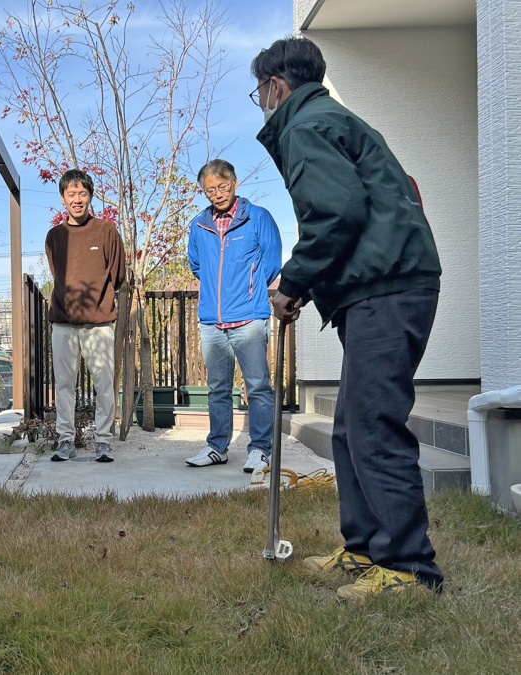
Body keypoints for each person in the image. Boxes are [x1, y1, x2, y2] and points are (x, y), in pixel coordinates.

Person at [252, 36, 443, 599]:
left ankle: (408, 568)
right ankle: (363, 550)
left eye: (259, 93)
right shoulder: (331, 118)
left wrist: (293, 282)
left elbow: (336, 214)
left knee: (374, 426)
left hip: (388, 289)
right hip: (379, 285)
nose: (261, 104)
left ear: (275, 87)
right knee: (350, 428)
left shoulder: (306, 126)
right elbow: (355, 213)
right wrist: (312, 284)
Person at [185, 160, 282, 473]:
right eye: (210, 190)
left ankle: (261, 450)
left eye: (222, 186)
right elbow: (197, 264)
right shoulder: (199, 225)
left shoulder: (257, 217)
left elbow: (272, 261)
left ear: (235, 183)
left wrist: (249, 289)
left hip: (249, 318)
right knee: (218, 389)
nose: (217, 193)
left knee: (258, 387)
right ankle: (217, 447)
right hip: (212, 321)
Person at [45, 169, 126, 463]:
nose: (77, 199)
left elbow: (118, 274)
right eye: (71, 194)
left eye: (82, 193)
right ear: (63, 198)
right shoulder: (55, 236)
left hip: (99, 322)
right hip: (63, 320)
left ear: (90, 196)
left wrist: (101, 301)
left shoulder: (106, 231)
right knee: (64, 384)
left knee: (103, 383)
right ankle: (65, 440)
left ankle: (103, 440)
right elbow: (58, 273)